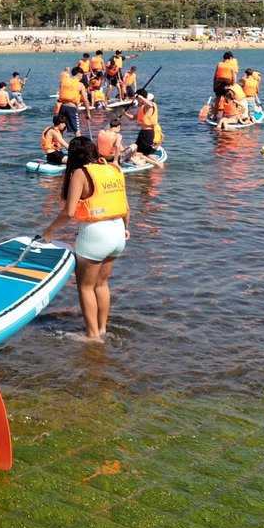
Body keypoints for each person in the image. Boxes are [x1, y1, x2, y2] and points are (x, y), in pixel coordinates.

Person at [41, 137, 130, 342]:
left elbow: (69, 212)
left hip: (96, 234)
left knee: (86, 286)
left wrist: (50, 230)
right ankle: (101, 329)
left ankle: (92, 336)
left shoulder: (80, 173)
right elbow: (126, 207)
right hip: (118, 231)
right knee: (102, 284)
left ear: (74, 156)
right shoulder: (114, 169)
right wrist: (126, 229)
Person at [126, 90, 165, 166]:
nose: (137, 101)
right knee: (145, 153)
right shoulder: (143, 107)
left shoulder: (149, 106)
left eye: (137, 99)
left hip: (147, 133)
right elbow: (133, 117)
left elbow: (150, 105)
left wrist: (140, 97)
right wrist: (125, 114)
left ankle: (157, 164)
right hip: (144, 132)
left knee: (138, 152)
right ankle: (159, 163)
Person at [55, 67, 85, 135]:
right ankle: (78, 145)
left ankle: (58, 144)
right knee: (77, 130)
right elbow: (85, 100)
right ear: (79, 74)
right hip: (71, 108)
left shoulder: (65, 81)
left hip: (62, 107)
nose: (82, 76)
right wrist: (88, 113)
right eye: (82, 75)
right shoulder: (80, 84)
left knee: (60, 129)